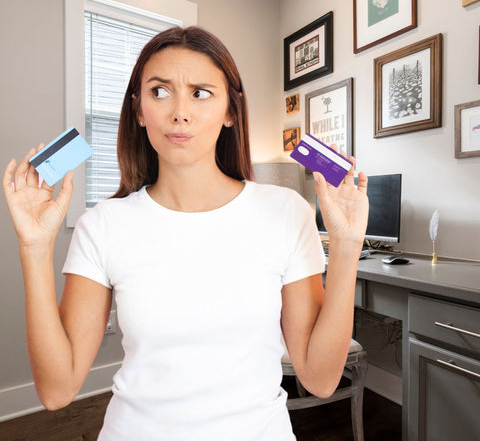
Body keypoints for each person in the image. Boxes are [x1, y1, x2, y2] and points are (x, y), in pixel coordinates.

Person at [2, 26, 368, 441]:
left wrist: (347, 246)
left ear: (230, 110)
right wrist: (34, 246)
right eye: (159, 92)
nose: (180, 111)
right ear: (139, 110)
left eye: (200, 92)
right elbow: (56, 390)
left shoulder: (286, 213)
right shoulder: (103, 224)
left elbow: (320, 380)